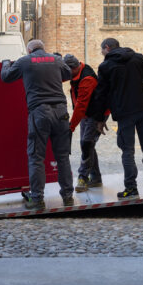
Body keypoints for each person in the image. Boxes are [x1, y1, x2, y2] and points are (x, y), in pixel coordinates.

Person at [1, 39, 75, 210]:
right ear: (43, 48)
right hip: (61, 112)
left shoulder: (24, 62)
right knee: (63, 157)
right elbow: (68, 74)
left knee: (36, 158)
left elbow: (6, 77)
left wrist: (5, 63)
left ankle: (37, 199)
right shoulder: (55, 60)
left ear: (29, 50)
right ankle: (68, 197)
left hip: (40, 113)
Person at [87, 38, 143, 200]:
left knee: (128, 151)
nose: (102, 54)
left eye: (102, 50)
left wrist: (100, 119)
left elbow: (101, 94)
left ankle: (131, 189)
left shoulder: (105, 66)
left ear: (107, 47)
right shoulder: (138, 58)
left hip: (124, 113)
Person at [62, 53, 103, 192]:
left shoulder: (87, 79)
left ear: (72, 69)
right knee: (88, 143)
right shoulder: (77, 72)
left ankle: (83, 178)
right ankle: (96, 178)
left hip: (95, 113)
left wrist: (71, 126)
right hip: (87, 113)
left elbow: (81, 105)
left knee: (86, 143)